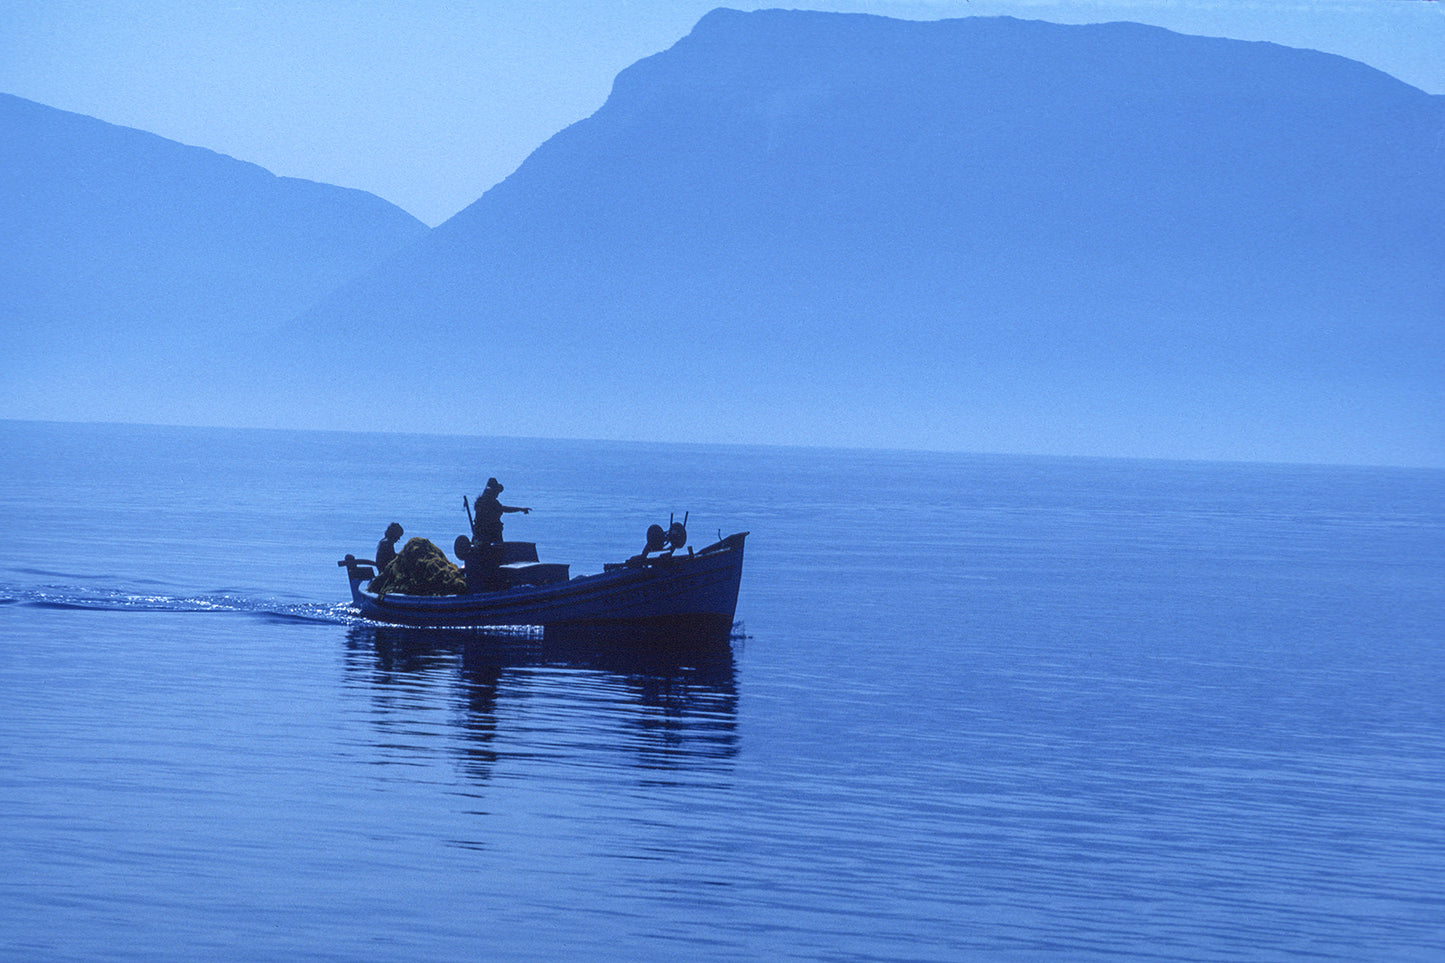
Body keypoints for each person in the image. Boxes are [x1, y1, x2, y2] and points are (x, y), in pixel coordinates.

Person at [472, 477, 530, 545]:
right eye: (497, 492)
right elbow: (504, 509)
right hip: (490, 533)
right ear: (493, 491)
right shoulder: (490, 502)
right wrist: (520, 509)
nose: (497, 494)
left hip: (481, 533)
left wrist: (520, 509)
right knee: (497, 545)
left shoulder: (481, 501)